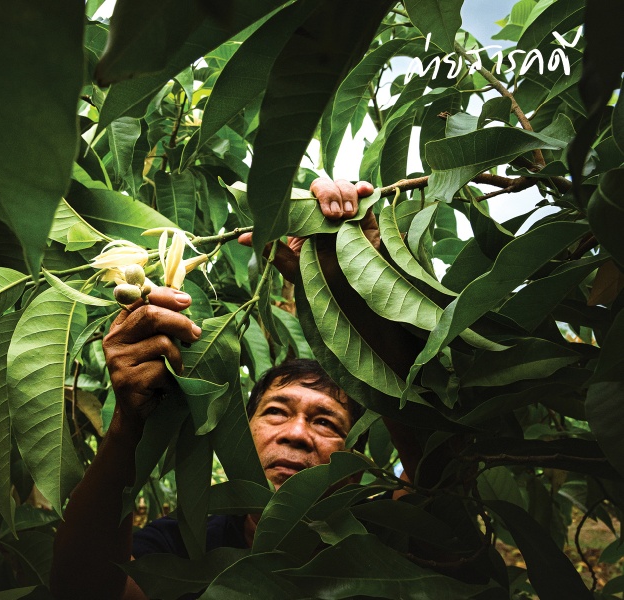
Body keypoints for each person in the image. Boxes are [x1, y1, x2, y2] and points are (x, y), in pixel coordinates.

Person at [50, 175, 422, 600]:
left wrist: (362, 295)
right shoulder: (185, 546)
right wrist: (128, 425)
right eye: (277, 411)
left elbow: (446, 489)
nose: (296, 435)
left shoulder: (385, 543)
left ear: (357, 451)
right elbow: (83, 590)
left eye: (325, 422)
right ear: (241, 433)